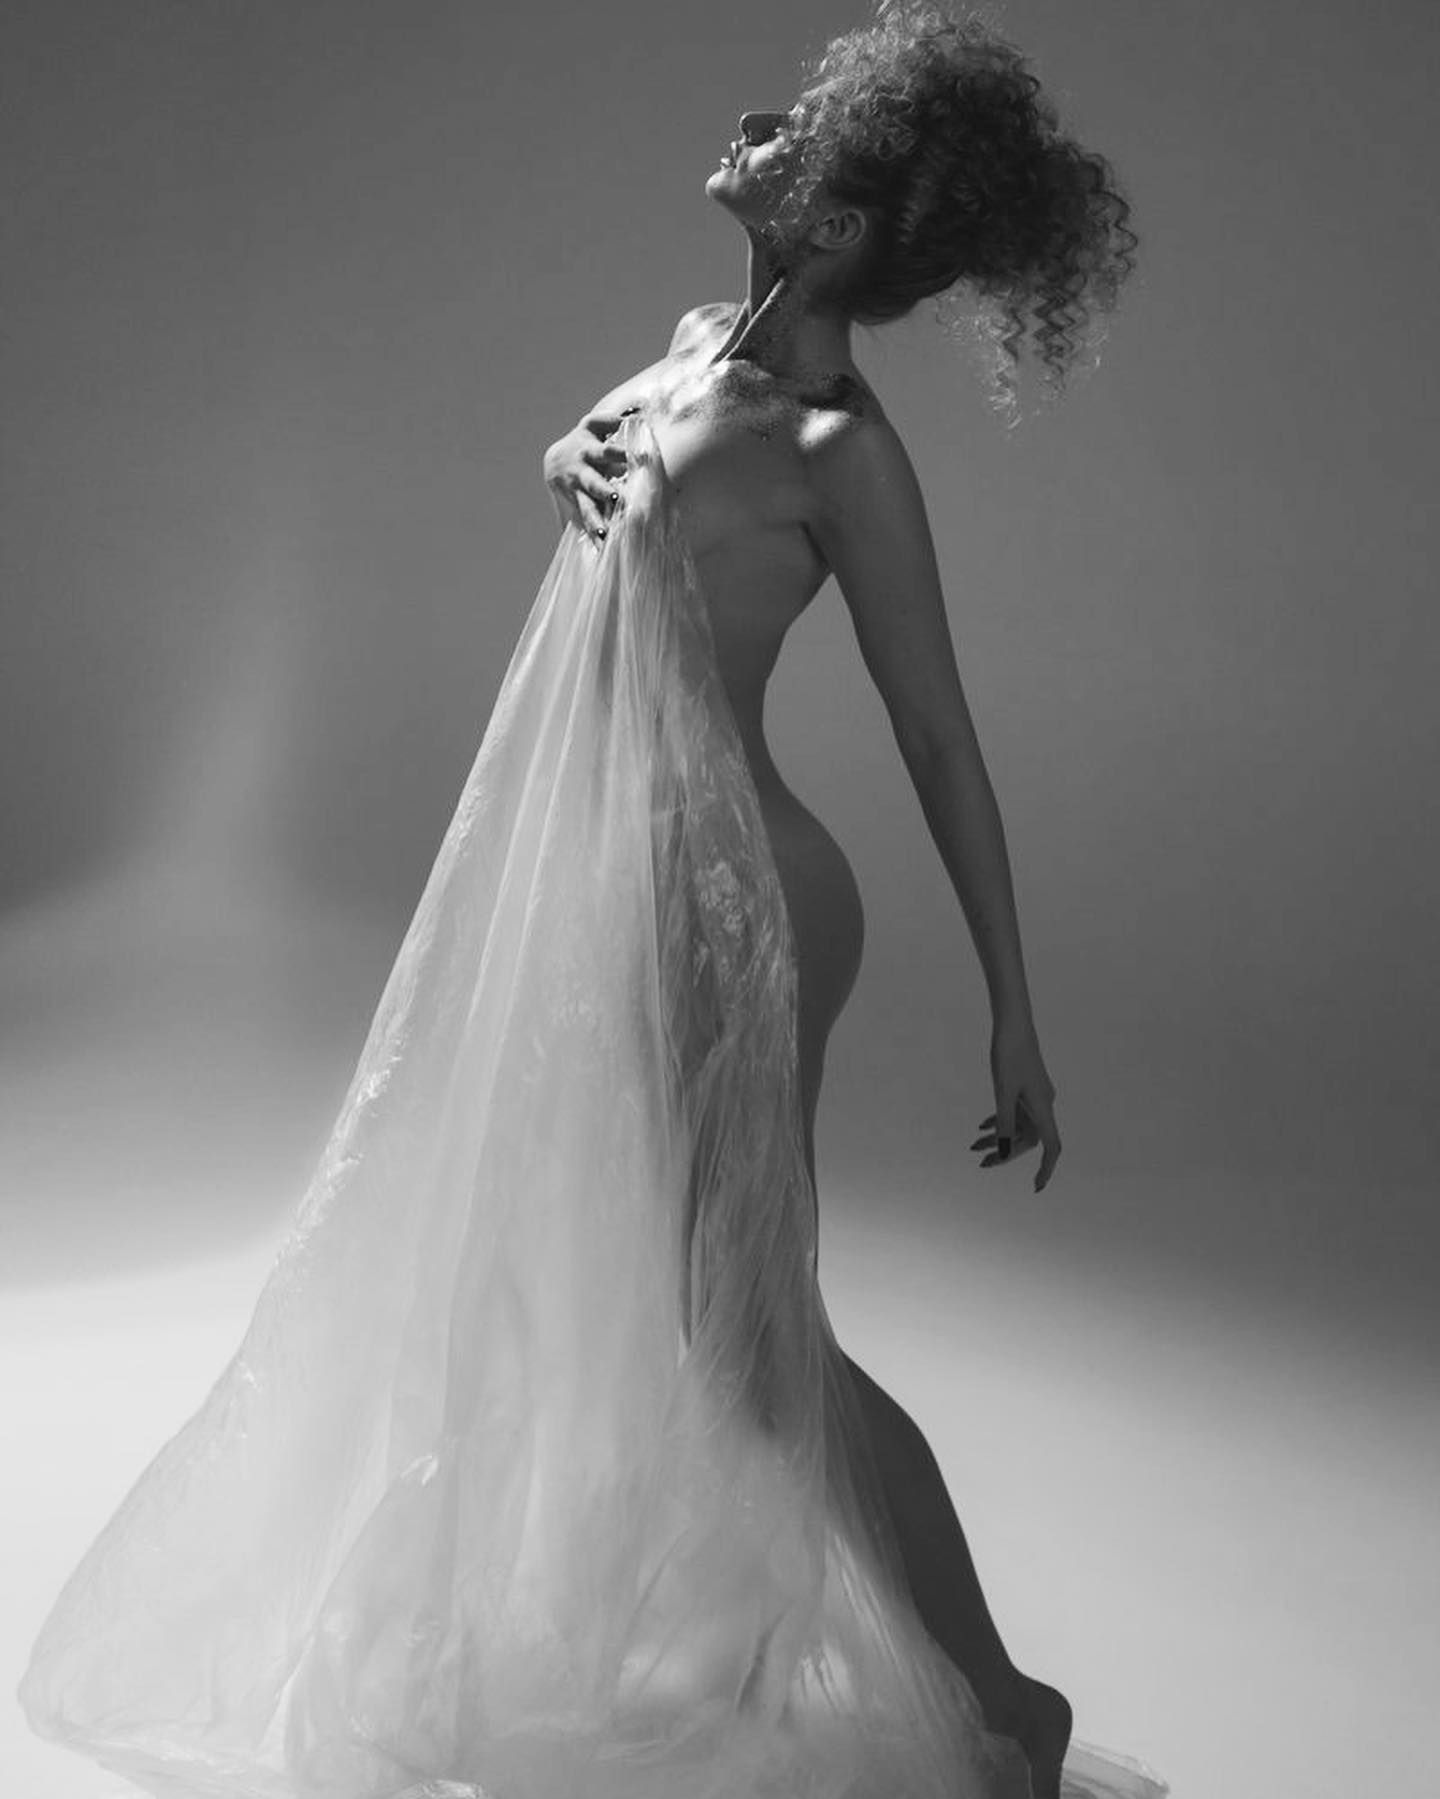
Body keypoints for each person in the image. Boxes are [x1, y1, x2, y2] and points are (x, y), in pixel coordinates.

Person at [19, 5, 1162, 1797]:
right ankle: (828, 1644)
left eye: (796, 136)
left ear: (836, 227)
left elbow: (938, 735)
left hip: (740, 902)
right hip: (619, 887)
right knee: (680, 1320)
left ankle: (1006, 1701)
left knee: (761, 1351)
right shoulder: (701, 344)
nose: (756, 122)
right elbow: (600, 448)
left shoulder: (839, 450)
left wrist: (1017, 1011)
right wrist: (564, 458)